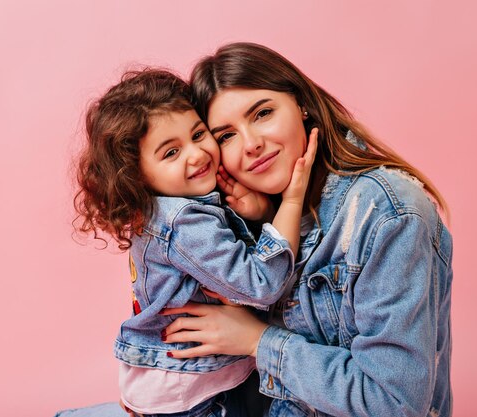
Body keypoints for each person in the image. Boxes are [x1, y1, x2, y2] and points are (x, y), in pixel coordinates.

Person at [159, 42, 453, 417]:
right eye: (226, 136)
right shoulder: (243, 211)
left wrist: (257, 340)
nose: (252, 145)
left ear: (302, 106)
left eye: (263, 113)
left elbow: (394, 403)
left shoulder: (386, 215)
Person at [70, 68, 317, 417]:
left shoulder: (166, 209)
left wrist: (259, 213)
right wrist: (291, 203)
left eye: (198, 134)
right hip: (196, 393)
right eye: (171, 153)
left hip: (177, 375)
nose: (197, 154)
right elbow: (261, 285)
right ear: (137, 174)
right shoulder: (184, 222)